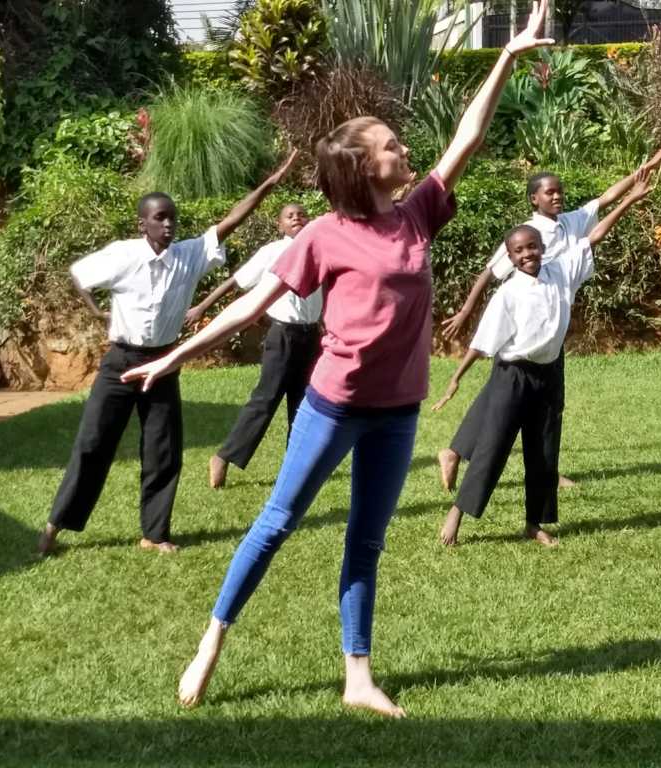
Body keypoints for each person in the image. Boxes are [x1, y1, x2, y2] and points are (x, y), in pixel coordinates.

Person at [121, 1, 556, 717]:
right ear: (362, 164)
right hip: (333, 405)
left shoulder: (415, 212)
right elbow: (253, 304)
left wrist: (507, 58)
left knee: (367, 540)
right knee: (278, 522)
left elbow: (466, 140)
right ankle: (212, 640)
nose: (405, 148)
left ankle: (358, 675)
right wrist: (174, 356)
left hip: (399, 411)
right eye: (391, 144)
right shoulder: (323, 233)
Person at [37, 151, 298, 556]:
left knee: (162, 448)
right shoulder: (123, 254)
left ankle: (154, 533)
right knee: (93, 444)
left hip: (164, 361)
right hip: (120, 362)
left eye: (172, 217)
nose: (168, 223)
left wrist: (268, 185)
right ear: (143, 224)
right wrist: (96, 310)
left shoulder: (189, 255)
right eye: (159, 217)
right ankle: (56, 525)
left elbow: (231, 220)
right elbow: (79, 275)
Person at [436, 139, 661, 492]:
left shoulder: (567, 223)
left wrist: (650, 163)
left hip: (551, 323)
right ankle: (497, 462)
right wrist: (467, 309)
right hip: (526, 326)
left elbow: (605, 199)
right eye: (550, 193)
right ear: (534, 199)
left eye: (559, 192)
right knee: (535, 402)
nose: (557, 197)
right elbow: (490, 272)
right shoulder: (526, 236)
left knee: (513, 398)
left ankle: (460, 453)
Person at [185, 203, 322, 489]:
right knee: (266, 399)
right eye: (290, 216)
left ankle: (296, 468)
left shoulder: (320, 249)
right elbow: (236, 281)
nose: (297, 218)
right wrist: (202, 306)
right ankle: (224, 457)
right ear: (280, 225)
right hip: (283, 336)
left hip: (311, 337)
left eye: (301, 214)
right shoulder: (272, 252)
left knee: (304, 403)